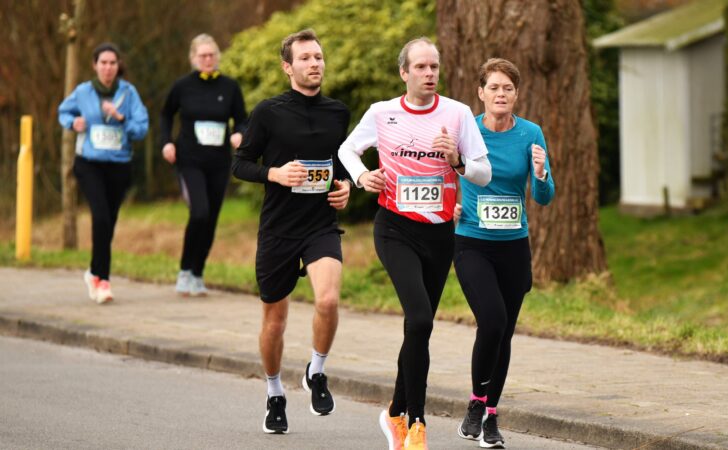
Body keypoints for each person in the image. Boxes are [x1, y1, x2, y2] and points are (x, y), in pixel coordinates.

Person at [338, 37, 492, 450]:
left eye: (434, 67)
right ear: (404, 73)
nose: (429, 74)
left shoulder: (458, 114)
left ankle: (393, 412)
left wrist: (456, 160)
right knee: (421, 319)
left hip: (440, 233)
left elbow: (483, 173)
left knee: (417, 328)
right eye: (421, 67)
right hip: (395, 228)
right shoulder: (382, 113)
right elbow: (347, 149)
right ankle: (416, 423)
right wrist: (361, 177)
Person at [231, 29, 351, 435]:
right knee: (275, 323)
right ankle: (274, 392)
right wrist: (274, 174)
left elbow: (340, 162)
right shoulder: (268, 112)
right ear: (288, 67)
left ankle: (316, 371)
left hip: (319, 225)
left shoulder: (338, 112)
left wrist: (346, 187)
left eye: (318, 57)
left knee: (330, 300)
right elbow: (240, 163)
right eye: (305, 58)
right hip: (279, 229)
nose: (315, 63)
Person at [454, 58, 555, 449]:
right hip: (473, 242)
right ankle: (476, 404)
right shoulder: (466, 132)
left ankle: (491, 415)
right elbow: (446, 173)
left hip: (514, 245)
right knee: (492, 322)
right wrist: (452, 206)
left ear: (516, 94)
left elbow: (544, 198)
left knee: (505, 334)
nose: (501, 94)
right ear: (480, 93)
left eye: (507, 89)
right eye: (493, 87)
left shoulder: (531, 133)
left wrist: (542, 173)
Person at [58, 42, 149, 305]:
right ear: (94, 65)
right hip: (89, 163)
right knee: (100, 216)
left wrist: (120, 118)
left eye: (112, 63)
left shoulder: (128, 93)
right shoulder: (83, 92)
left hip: (119, 164)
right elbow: (63, 112)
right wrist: (73, 122)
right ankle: (103, 278)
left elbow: (141, 128)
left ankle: (94, 273)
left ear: (118, 65)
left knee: (108, 220)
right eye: (103, 63)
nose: (108, 68)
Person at [160, 34, 248, 296]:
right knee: (199, 212)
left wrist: (239, 133)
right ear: (193, 58)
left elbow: (242, 119)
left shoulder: (230, 87)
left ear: (217, 57)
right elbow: (166, 114)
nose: (208, 60)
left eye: (212, 55)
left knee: (210, 219)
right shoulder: (182, 86)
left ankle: (197, 273)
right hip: (189, 160)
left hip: (219, 162)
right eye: (203, 56)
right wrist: (166, 142)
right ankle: (185, 270)